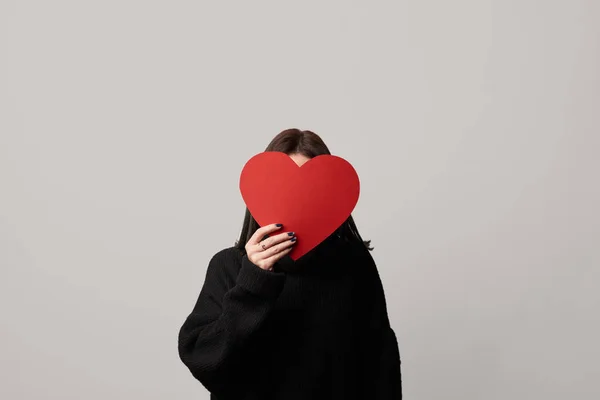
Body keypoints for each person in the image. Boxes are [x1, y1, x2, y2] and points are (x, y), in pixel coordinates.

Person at [177, 129, 402, 399]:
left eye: (310, 190)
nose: (297, 202)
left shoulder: (354, 264)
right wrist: (254, 280)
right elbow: (205, 359)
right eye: (285, 189)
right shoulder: (227, 266)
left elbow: (380, 365)